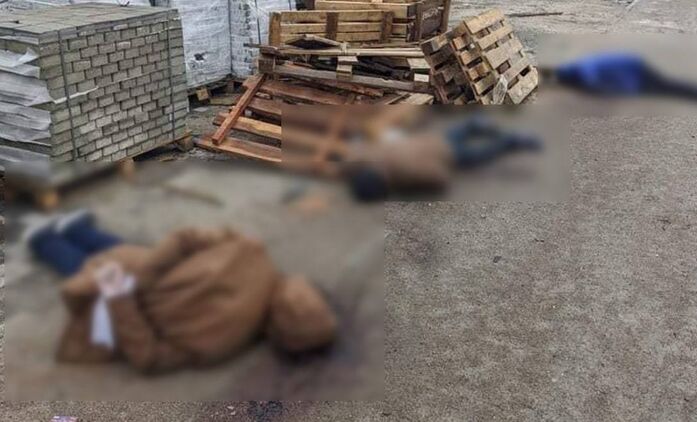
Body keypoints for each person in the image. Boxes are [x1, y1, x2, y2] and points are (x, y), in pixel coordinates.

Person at [26, 211, 338, 373]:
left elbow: (149, 356)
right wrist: (138, 280)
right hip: (138, 287)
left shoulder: (253, 254)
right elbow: (150, 358)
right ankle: (67, 234)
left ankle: (50, 239)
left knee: (104, 271)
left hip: (128, 299)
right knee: (119, 262)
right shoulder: (224, 344)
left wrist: (129, 287)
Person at [346, 116, 541, 201]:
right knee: (459, 132)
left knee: (482, 154)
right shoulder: (376, 155)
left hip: (449, 155)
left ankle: (511, 141)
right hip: (433, 139)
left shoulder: (404, 175)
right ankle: (476, 125)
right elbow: (356, 152)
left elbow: (439, 178)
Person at [555, 52, 697, 105]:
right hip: (633, 66)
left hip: (635, 71)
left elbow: (595, 86)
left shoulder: (585, 71)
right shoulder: (582, 65)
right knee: (667, 87)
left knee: (667, 88)